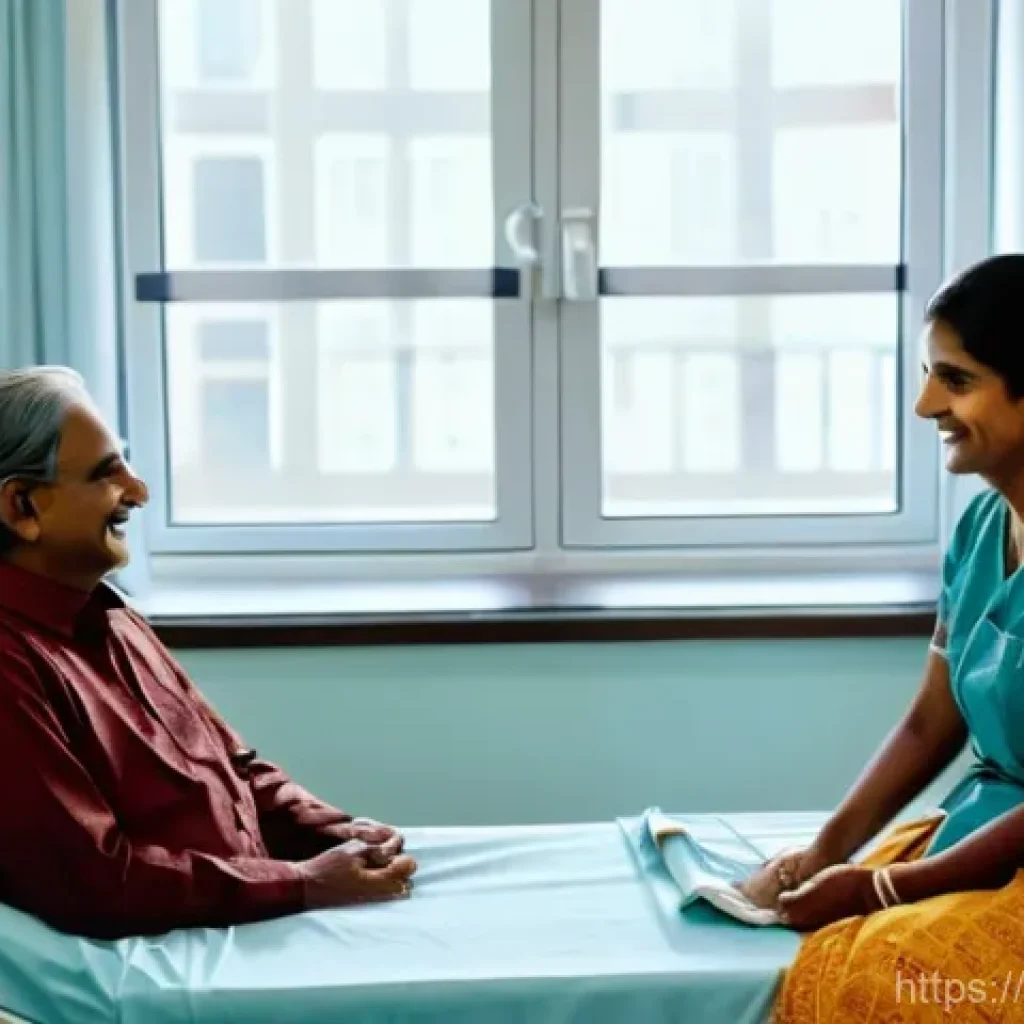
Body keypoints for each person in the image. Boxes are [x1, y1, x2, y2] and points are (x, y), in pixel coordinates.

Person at [0, 367, 416, 940]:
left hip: (240, 912)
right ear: (23, 506)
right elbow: (92, 878)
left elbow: (233, 769)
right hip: (170, 950)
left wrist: (334, 833)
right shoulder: (10, 661)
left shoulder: (110, 615)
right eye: (106, 474)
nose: (139, 492)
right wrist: (301, 882)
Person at [735, 253, 1024, 1022]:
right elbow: (932, 722)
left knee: (875, 978)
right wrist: (824, 852)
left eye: (956, 380)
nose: (926, 404)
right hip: (984, 833)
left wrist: (883, 886)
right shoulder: (982, 529)